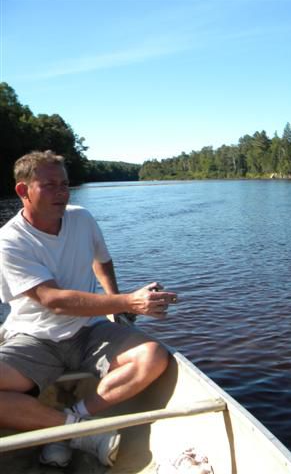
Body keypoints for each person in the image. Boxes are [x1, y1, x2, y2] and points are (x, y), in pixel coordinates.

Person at [0, 150, 178, 467]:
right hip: (33, 338)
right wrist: (128, 300)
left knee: (153, 357)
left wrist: (116, 303)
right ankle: (77, 432)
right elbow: (53, 299)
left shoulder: (81, 218)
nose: (61, 192)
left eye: (65, 184)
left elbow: (102, 259)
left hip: (88, 329)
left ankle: (72, 419)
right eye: (50, 185)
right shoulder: (10, 240)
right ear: (22, 190)